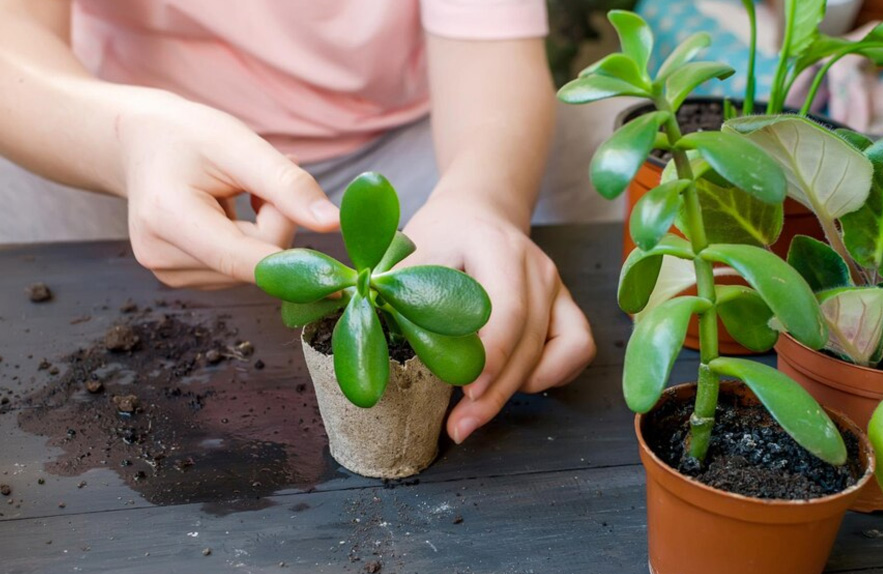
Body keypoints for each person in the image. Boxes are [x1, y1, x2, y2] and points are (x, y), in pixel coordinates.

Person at [0, 0, 596, 444]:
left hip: (399, 145)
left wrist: (483, 195)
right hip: (109, 129)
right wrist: (121, 140)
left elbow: (491, 51)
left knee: (547, 203)